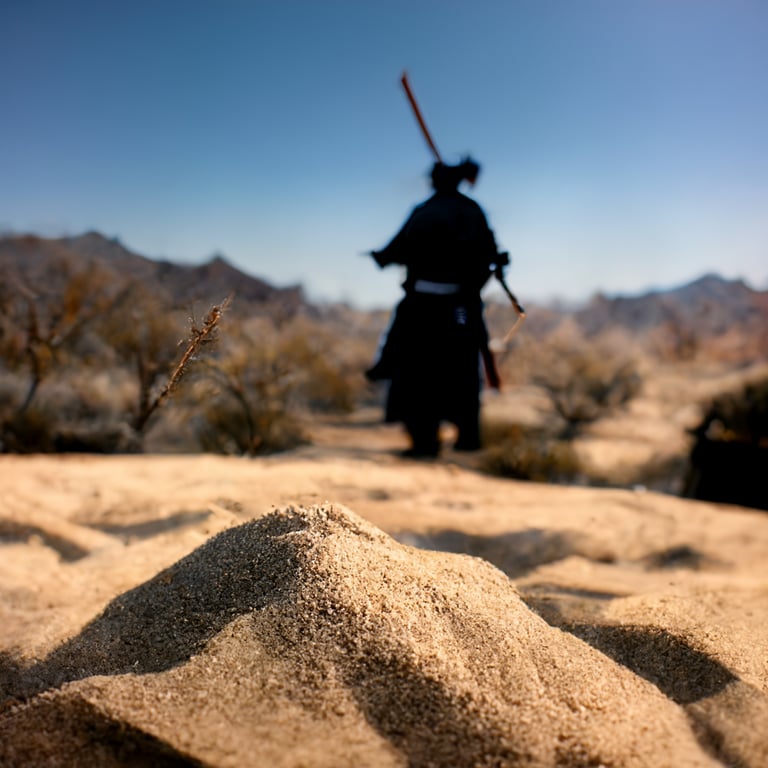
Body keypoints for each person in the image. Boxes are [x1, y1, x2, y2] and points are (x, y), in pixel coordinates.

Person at [366, 157, 508, 458]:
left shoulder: (424, 212)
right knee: (463, 363)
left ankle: (424, 438)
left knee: (414, 367)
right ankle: (466, 435)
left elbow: (395, 250)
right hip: (459, 309)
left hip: (422, 307)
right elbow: (489, 253)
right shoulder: (471, 210)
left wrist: (380, 256)